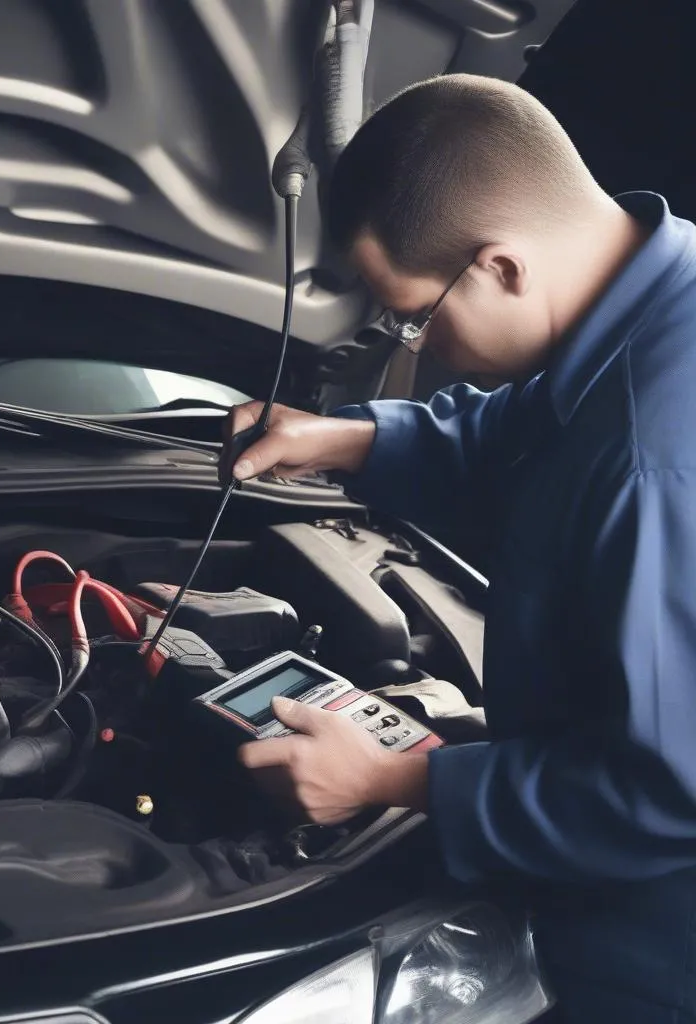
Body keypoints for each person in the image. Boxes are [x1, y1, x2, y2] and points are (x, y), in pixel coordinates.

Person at [225, 73, 696, 1023]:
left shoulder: (656, 463)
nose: (417, 343)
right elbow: (528, 429)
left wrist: (391, 776)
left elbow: (665, 789)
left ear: (501, 267)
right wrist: (341, 438)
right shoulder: (648, 310)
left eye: (414, 316)